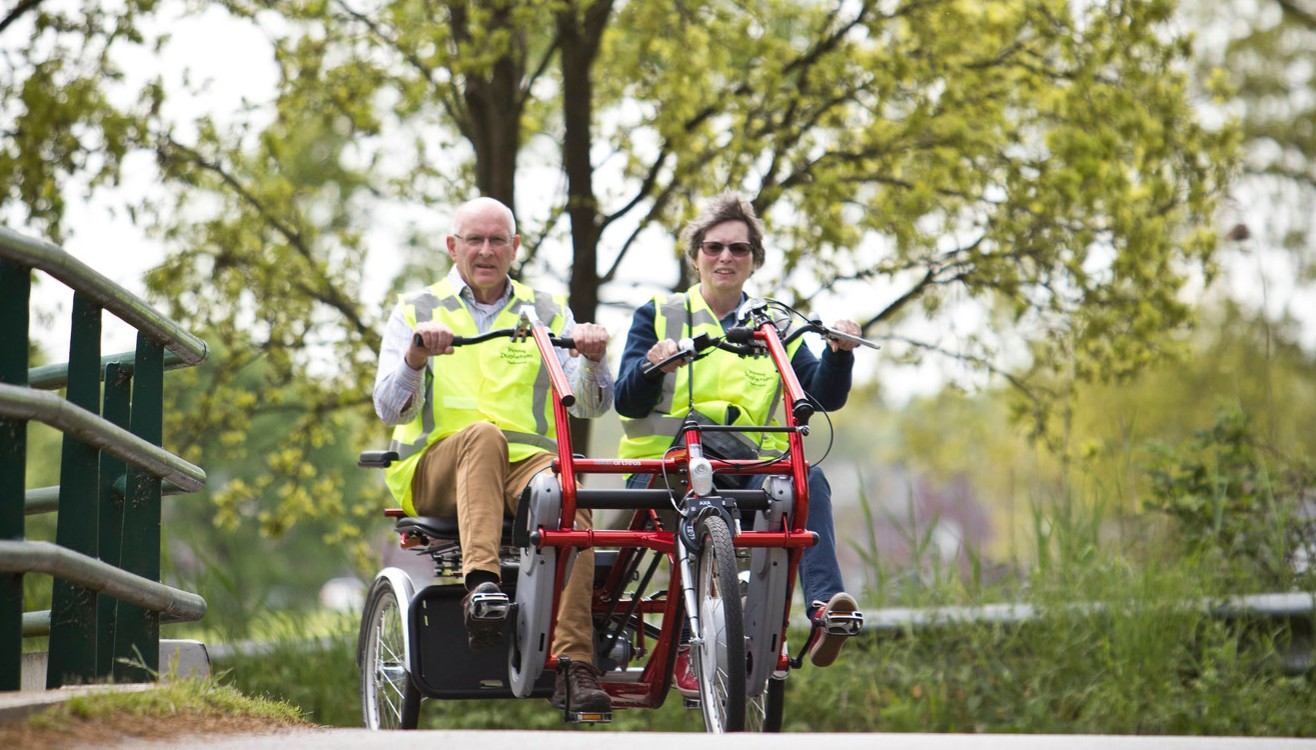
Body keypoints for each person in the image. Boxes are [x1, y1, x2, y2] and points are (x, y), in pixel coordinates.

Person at [373, 196, 613, 713]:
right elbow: (390, 411)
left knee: (571, 492)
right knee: (482, 435)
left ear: (515, 247)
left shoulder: (546, 311)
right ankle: (481, 587)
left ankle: (576, 664)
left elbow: (591, 406)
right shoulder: (417, 308)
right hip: (435, 468)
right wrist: (414, 357)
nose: (485, 250)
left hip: (525, 467)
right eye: (474, 240)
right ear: (452, 247)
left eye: (497, 240)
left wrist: (594, 360)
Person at [615, 192, 863, 681]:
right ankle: (697, 642)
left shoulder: (775, 325)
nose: (725, 257)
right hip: (665, 475)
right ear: (695, 257)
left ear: (754, 262)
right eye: (713, 247)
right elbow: (625, 400)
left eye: (739, 249)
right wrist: (650, 367)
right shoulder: (658, 315)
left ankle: (821, 612)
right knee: (708, 497)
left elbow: (818, 397)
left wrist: (838, 352)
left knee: (807, 481)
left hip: (746, 477)